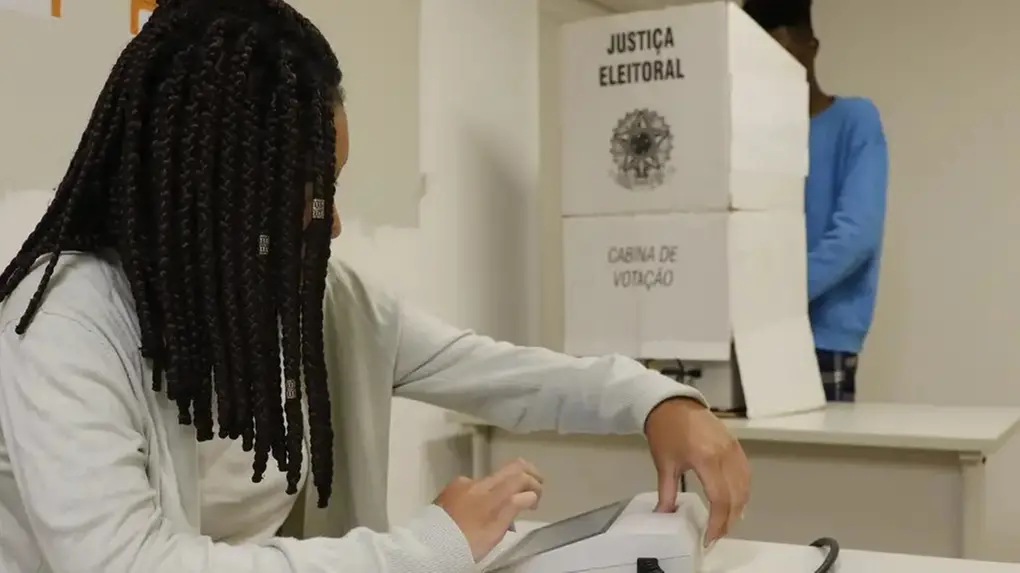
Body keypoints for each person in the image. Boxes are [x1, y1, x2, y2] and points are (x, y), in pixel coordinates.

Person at [0, 1, 749, 572]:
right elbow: (130, 564)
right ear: (218, 191)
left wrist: (655, 400)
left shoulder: (315, 304)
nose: (329, 226)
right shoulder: (67, 322)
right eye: (311, 194)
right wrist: (429, 545)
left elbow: (503, 372)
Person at [743, 0, 889, 402]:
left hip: (823, 336)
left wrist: (771, 296)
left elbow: (857, 234)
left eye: (783, 49)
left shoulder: (855, 119)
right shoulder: (753, 136)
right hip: (750, 335)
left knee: (816, 464)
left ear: (811, 45)